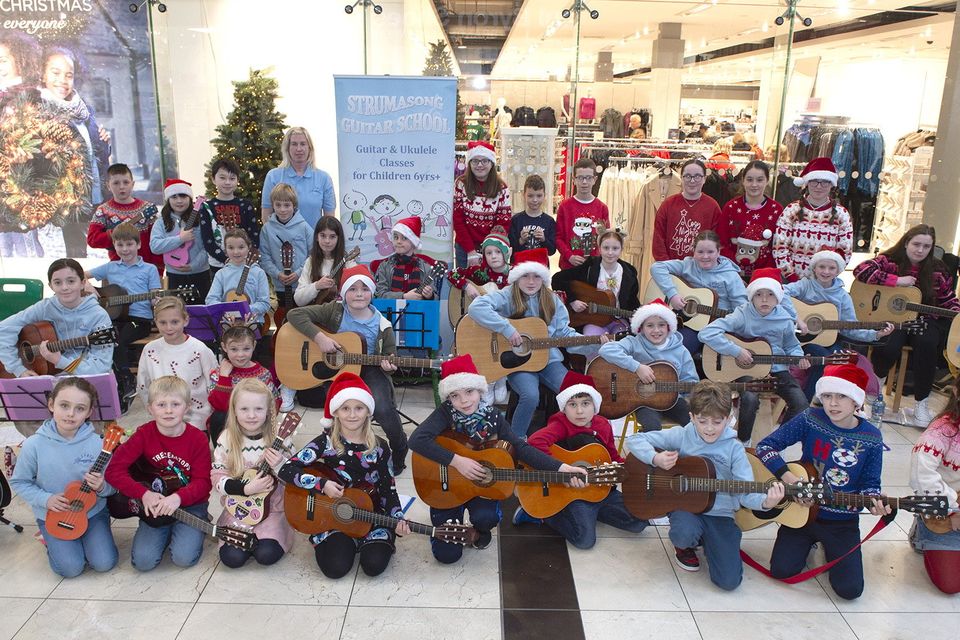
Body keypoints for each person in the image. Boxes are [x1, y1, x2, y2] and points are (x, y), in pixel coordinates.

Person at [408, 355, 586, 563]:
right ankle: (448, 526)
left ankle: (478, 528)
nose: (464, 400)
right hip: (445, 486)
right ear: (448, 398)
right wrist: (457, 461)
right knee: (447, 556)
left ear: (480, 390)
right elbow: (416, 440)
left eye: (469, 392)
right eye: (455, 396)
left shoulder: (493, 417)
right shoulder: (445, 413)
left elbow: (520, 447)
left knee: (487, 518)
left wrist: (560, 467)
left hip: (478, 488)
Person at [627, 380, 784, 589]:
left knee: (728, 582)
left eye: (717, 422)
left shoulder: (734, 449)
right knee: (683, 532)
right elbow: (635, 440)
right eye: (702, 421)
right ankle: (685, 545)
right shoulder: (683, 434)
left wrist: (767, 502)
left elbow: (746, 493)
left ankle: (712, 541)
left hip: (720, 514)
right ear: (692, 417)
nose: (709, 428)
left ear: (728, 419)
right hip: (686, 509)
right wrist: (655, 459)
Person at [756, 364, 891, 600]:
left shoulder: (871, 436)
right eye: (827, 396)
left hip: (843, 522)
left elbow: (870, 482)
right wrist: (790, 479)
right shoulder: (810, 418)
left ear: (856, 401)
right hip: (803, 514)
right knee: (782, 570)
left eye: (842, 396)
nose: (833, 403)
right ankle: (810, 544)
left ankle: (829, 547)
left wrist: (874, 502)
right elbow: (765, 446)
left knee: (850, 591)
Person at [279, 372, 409, 578]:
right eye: (345, 408)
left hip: (371, 513)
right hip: (332, 514)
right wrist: (321, 484)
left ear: (368, 411)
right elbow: (286, 469)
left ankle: (366, 540)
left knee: (373, 566)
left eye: (359, 408)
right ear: (336, 412)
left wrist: (398, 518)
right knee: (336, 568)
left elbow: (388, 489)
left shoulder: (381, 447)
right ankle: (343, 539)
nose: (352, 414)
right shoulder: (325, 442)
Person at [467, 248, 606, 439]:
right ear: (516, 277)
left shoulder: (552, 300)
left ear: (543, 278)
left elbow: (565, 334)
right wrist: (507, 329)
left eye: (536, 276)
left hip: (549, 360)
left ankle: (569, 438)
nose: (531, 282)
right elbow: (476, 307)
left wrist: (595, 343)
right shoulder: (508, 294)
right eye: (525, 276)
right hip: (518, 362)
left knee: (573, 393)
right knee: (530, 395)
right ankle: (516, 441)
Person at [286, 264, 409, 472]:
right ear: (344, 293)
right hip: (339, 372)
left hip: (371, 369)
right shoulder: (334, 311)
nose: (359, 294)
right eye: (353, 289)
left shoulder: (383, 325)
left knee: (383, 409)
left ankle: (399, 447)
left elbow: (390, 358)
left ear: (372, 292)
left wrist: (389, 366)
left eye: (364, 289)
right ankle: (339, 453)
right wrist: (320, 338)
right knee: (339, 410)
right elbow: (295, 315)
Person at [514, 371, 648, 547]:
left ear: (595, 405)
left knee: (640, 522)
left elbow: (612, 456)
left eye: (585, 403)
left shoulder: (603, 425)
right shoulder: (560, 424)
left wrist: (632, 468)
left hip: (601, 487)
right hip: (572, 493)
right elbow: (533, 442)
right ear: (564, 408)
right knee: (584, 540)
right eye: (572, 404)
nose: (579, 411)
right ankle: (542, 514)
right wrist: (563, 468)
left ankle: (593, 513)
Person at [9, 377, 118, 578]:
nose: (70, 414)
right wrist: (46, 499)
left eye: (79, 408)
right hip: (53, 514)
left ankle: (84, 539)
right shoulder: (34, 444)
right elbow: (19, 481)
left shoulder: (97, 444)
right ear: (51, 405)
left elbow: (114, 485)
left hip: (92, 513)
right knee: (71, 569)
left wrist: (103, 487)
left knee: (104, 563)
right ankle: (50, 539)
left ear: (89, 412)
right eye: (64, 405)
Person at [853, 224, 959, 426]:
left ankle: (921, 403)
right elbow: (861, 270)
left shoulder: (938, 270)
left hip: (924, 320)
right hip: (894, 319)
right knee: (889, 344)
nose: (920, 250)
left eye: (926, 246)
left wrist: (957, 311)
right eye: (916, 244)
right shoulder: (889, 261)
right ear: (906, 242)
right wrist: (897, 281)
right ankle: (873, 395)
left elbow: (948, 300)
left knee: (927, 344)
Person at [105, 376, 212, 571]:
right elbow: (113, 470)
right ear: (150, 408)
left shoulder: (198, 438)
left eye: (175, 404)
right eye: (161, 404)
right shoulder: (143, 434)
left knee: (183, 558)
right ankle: (169, 530)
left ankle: (195, 526)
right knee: (143, 563)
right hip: (154, 506)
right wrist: (143, 494)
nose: (169, 410)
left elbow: (203, 482)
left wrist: (178, 498)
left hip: (190, 505)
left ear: (187, 407)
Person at [699, 268, 809, 443]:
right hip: (747, 371)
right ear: (751, 296)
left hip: (777, 370)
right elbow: (706, 333)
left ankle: (776, 441)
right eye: (759, 294)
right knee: (750, 397)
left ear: (778, 297)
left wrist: (799, 356)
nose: (764, 299)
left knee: (801, 404)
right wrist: (736, 351)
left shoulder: (785, 319)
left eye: (770, 294)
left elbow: (792, 346)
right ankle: (743, 442)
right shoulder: (742, 314)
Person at [784, 249, 894, 400]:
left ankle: (828, 402)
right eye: (822, 267)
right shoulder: (805, 285)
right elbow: (780, 293)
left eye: (831, 268)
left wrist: (875, 334)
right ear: (814, 268)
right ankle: (804, 404)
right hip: (799, 339)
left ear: (838, 271)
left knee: (840, 361)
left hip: (828, 341)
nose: (826, 271)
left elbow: (850, 327)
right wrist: (797, 318)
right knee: (823, 358)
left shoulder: (843, 296)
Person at [212, 378, 293, 568]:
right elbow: (217, 478)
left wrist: (280, 464)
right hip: (238, 510)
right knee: (232, 558)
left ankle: (277, 533)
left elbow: (294, 478)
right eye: (244, 409)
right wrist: (245, 489)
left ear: (269, 411)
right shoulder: (227, 439)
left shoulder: (280, 437)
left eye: (258, 409)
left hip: (273, 509)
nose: (251, 415)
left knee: (266, 555)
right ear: (234, 411)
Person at [0, 258, 113, 394]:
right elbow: (4, 329)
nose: (65, 287)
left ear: (83, 283)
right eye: (57, 282)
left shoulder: (98, 315)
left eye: (71, 281)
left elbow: (101, 366)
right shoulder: (45, 307)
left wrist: (59, 360)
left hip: (85, 379)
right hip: (49, 377)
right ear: (50, 286)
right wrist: (19, 369)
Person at [39, 46, 111, 254]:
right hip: (64, 203)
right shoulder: (37, 112)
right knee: (73, 258)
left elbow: (97, 156)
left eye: (68, 75)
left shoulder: (84, 110)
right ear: (43, 74)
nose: (63, 80)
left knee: (99, 255)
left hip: (95, 197)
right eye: (55, 72)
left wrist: (104, 143)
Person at [83, 222, 162, 402]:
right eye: (120, 245)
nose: (125, 249)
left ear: (138, 245)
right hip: (115, 319)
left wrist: (156, 300)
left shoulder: (149, 269)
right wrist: (90, 288)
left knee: (116, 339)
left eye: (129, 244)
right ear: (114, 246)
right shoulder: (110, 267)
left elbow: (155, 295)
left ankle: (126, 380)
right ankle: (105, 382)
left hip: (139, 320)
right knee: (100, 336)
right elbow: (80, 273)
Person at [597, 299, 698, 431]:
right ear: (641, 328)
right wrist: (637, 367)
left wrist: (687, 393)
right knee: (652, 427)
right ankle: (650, 451)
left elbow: (691, 381)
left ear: (669, 326)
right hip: (642, 403)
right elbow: (606, 350)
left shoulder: (681, 350)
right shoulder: (634, 342)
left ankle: (689, 450)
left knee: (695, 422)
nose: (656, 330)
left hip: (672, 401)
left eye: (661, 325)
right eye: (650, 325)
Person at [650, 230, 749, 356]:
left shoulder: (730, 275)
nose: (705, 256)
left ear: (718, 252)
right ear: (694, 252)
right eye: (700, 252)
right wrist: (673, 294)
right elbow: (657, 268)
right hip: (688, 323)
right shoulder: (688, 265)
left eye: (710, 252)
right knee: (667, 348)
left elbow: (742, 307)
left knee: (683, 349)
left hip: (717, 326)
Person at [447, 226, 512, 405]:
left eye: (498, 252)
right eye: (488, 252)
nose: (493, 256)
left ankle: (502, 378)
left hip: (507, 325)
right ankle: (489, 381)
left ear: (506, 253)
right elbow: (452, 274)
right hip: (483, 326)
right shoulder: (480, 272)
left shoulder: (514, 275)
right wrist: (467, 286)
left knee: (503, 348)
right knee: (485, 349)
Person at [909, 376, 960, 594]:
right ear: (957, 391)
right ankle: (921, 532)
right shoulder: (942, 431)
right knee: (951, 585)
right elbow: (922, 476)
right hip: (945, 515)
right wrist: (953, 509)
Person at [135, 297, 217, 432]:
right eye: (163, 322)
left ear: (186, 320)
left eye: (174, 322)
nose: (169, 328)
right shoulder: (150, 350)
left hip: (196, 420)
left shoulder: (200, 349)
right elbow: (143, 385)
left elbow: (213, 384)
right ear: (155, 322)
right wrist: (155, 412)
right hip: (162, 420)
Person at [773, 157, 853, 282]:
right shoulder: (791, 210)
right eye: (814, 181)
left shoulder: (841, 214)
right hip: (791, 282)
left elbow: (844, 252)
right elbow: (780, 247)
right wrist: (791, 276)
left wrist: (827, 276)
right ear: (807, 183)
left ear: (832, 184)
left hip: (824, 283)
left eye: (825, 182)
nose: (819, 186)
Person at [552, 229, 640, 344]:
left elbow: (632, 300)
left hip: (619, 320)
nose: (610, 252)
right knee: (591, 342)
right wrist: (572, 300)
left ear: (621, 249)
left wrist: (635, 316)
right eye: (606, 248)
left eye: (615, 248)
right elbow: (557, 279)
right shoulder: (590, 266)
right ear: (599, 248)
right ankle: (592, 362)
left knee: (621, 345)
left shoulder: (629, 272)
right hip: (593, 320)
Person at [87, 163, 165, 277]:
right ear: (108, 186)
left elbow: (156, 242)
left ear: (132, 184)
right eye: (116, 183)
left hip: (146, 271)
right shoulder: (103, 211)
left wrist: (158, 270)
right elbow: (92, 240)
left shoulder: (146, 209)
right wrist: (115, 233)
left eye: (126, 182)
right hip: (119, 272)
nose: (121, 187)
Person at [207, 325, 279, 444]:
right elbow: (219, 406)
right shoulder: (218, 373)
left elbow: (274, 401)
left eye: (246, 349)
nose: (240, 355)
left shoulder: (263, 373)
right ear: (224, 347)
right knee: (218, 417)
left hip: (256, 421)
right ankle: (223, 454)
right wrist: (224, 378)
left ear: (254, 346)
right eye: (234, 349)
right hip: (230, 423)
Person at [149, 179, 219, 300]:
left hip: (200, 274)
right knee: (176, 312)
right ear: (168, 200)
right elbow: (155, 246)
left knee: (203, 311)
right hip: (174, 276)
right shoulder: (161, 222)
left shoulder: (201, 218)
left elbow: (207, 247)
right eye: (174, 197)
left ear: (190, 198)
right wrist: (179, 239)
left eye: (183, 196)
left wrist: (193, 265)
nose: (179, 201)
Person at [717, 161, 783, 280]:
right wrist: (733, 270)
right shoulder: (731, 207)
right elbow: (721, 243)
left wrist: (764, 274)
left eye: (759, 180)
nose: (754, 184)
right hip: (732, 274)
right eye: (749, 179)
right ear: (743, 181)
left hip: (765, 277)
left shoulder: (776, 210)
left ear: (767, 181)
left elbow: (778, 246)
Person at [260, 126, 335, 229]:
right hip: (282, 244)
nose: (299, 149)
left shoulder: (324, 178)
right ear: (287, 148)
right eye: (294, 144)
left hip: (314, 243)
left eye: (303, 144)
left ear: (310, 148)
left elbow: (329, 220)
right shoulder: (273, 177)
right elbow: (266, 217)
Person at [452, 140, 512, 268]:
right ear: (469, 163)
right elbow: (458, 220)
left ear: (492, 163)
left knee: (490, 287)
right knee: (464, 285)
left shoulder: (502, 187)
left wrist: (489, 249)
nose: (480, 165)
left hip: (492, 249)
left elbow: (502, 223)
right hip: (465, 248)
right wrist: (470, 251)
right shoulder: (460, 184)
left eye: (484, 161)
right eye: (475, 161)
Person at [652, 159, 721, 262]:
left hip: (702, 269)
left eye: (697, 176)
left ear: (704, 179)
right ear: (681, 178)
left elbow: (717, 241)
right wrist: (667, 265)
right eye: (687, 176)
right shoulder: (668, 204)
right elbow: (658, 239)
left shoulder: (712, 206)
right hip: (671, 269)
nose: (692, 181)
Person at [259, 182, 313, 315]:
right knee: (283, 317)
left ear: (294, 206)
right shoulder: (267, 229)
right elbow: (264, 257)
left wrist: (299, 273)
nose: (282, 209)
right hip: (280, 285)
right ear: (272, 205)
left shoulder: (304, 227)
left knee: (302, 317)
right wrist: (278, 274)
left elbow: (313, 255)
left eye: (287, 205)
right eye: (278, 205)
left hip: (302, 284)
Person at [206, 228, 271, 329]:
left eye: (241, 247)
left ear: (248, 247)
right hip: (228, 322)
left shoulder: (258, 273)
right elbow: (211, 299)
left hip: (252, 322)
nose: (236, 252)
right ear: (225, 250)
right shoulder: (221, 274)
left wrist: (244, 309)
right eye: (231, 248)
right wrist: (228, 310)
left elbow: (264, 303)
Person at [205, 158, 261, 274]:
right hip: (218, 266)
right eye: (222, 178)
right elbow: (208, 240)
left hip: (245, 264)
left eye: (232, 178)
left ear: (237, 180)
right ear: (213, 179)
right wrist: (226, 259)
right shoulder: (207, 208)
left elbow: (254, 236)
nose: (227, 182)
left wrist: (244, 258)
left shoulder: (246, 206)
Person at [556, 158, 610, 270]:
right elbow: (558, 237)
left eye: (588, 178)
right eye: (580, 178)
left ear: (595, 179)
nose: (584, 182)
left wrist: (596, 258)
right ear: (574, 180)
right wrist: (569, 256)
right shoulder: (564, 207)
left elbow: (605, 238)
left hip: (593, 266)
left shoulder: (602, 208)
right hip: (569, 266)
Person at [372, 216, 438, 300]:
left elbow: (436, 297)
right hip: (391, 312)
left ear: (414, 242)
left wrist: (430, 295)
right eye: (396, 237)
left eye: (404, 238)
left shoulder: (426, 267)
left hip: (418, 311)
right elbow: (379, 295)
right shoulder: (384, 266)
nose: (399, 241)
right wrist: (403, 296)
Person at [294, 216, 354, 307]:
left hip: (341, 313)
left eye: (332, 236)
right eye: (323, 235)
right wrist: (317, 286)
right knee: (292, 315)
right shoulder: (310, 261)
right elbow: (298, 300)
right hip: (316, 313)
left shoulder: (348, 262)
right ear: (317, 237)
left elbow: (358, 293)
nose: (327, 241)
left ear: (339, 239)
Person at [508, 174, 556, 255]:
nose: (535, 200)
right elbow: (510, 249)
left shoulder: (550, 221)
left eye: (539, 195)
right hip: (520, 266)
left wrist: (544, 240)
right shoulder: (516, 220)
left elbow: (552, 251)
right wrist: (521, 240)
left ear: (545, 196)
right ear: (523, 195)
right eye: (530, 196)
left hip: (540, 266)